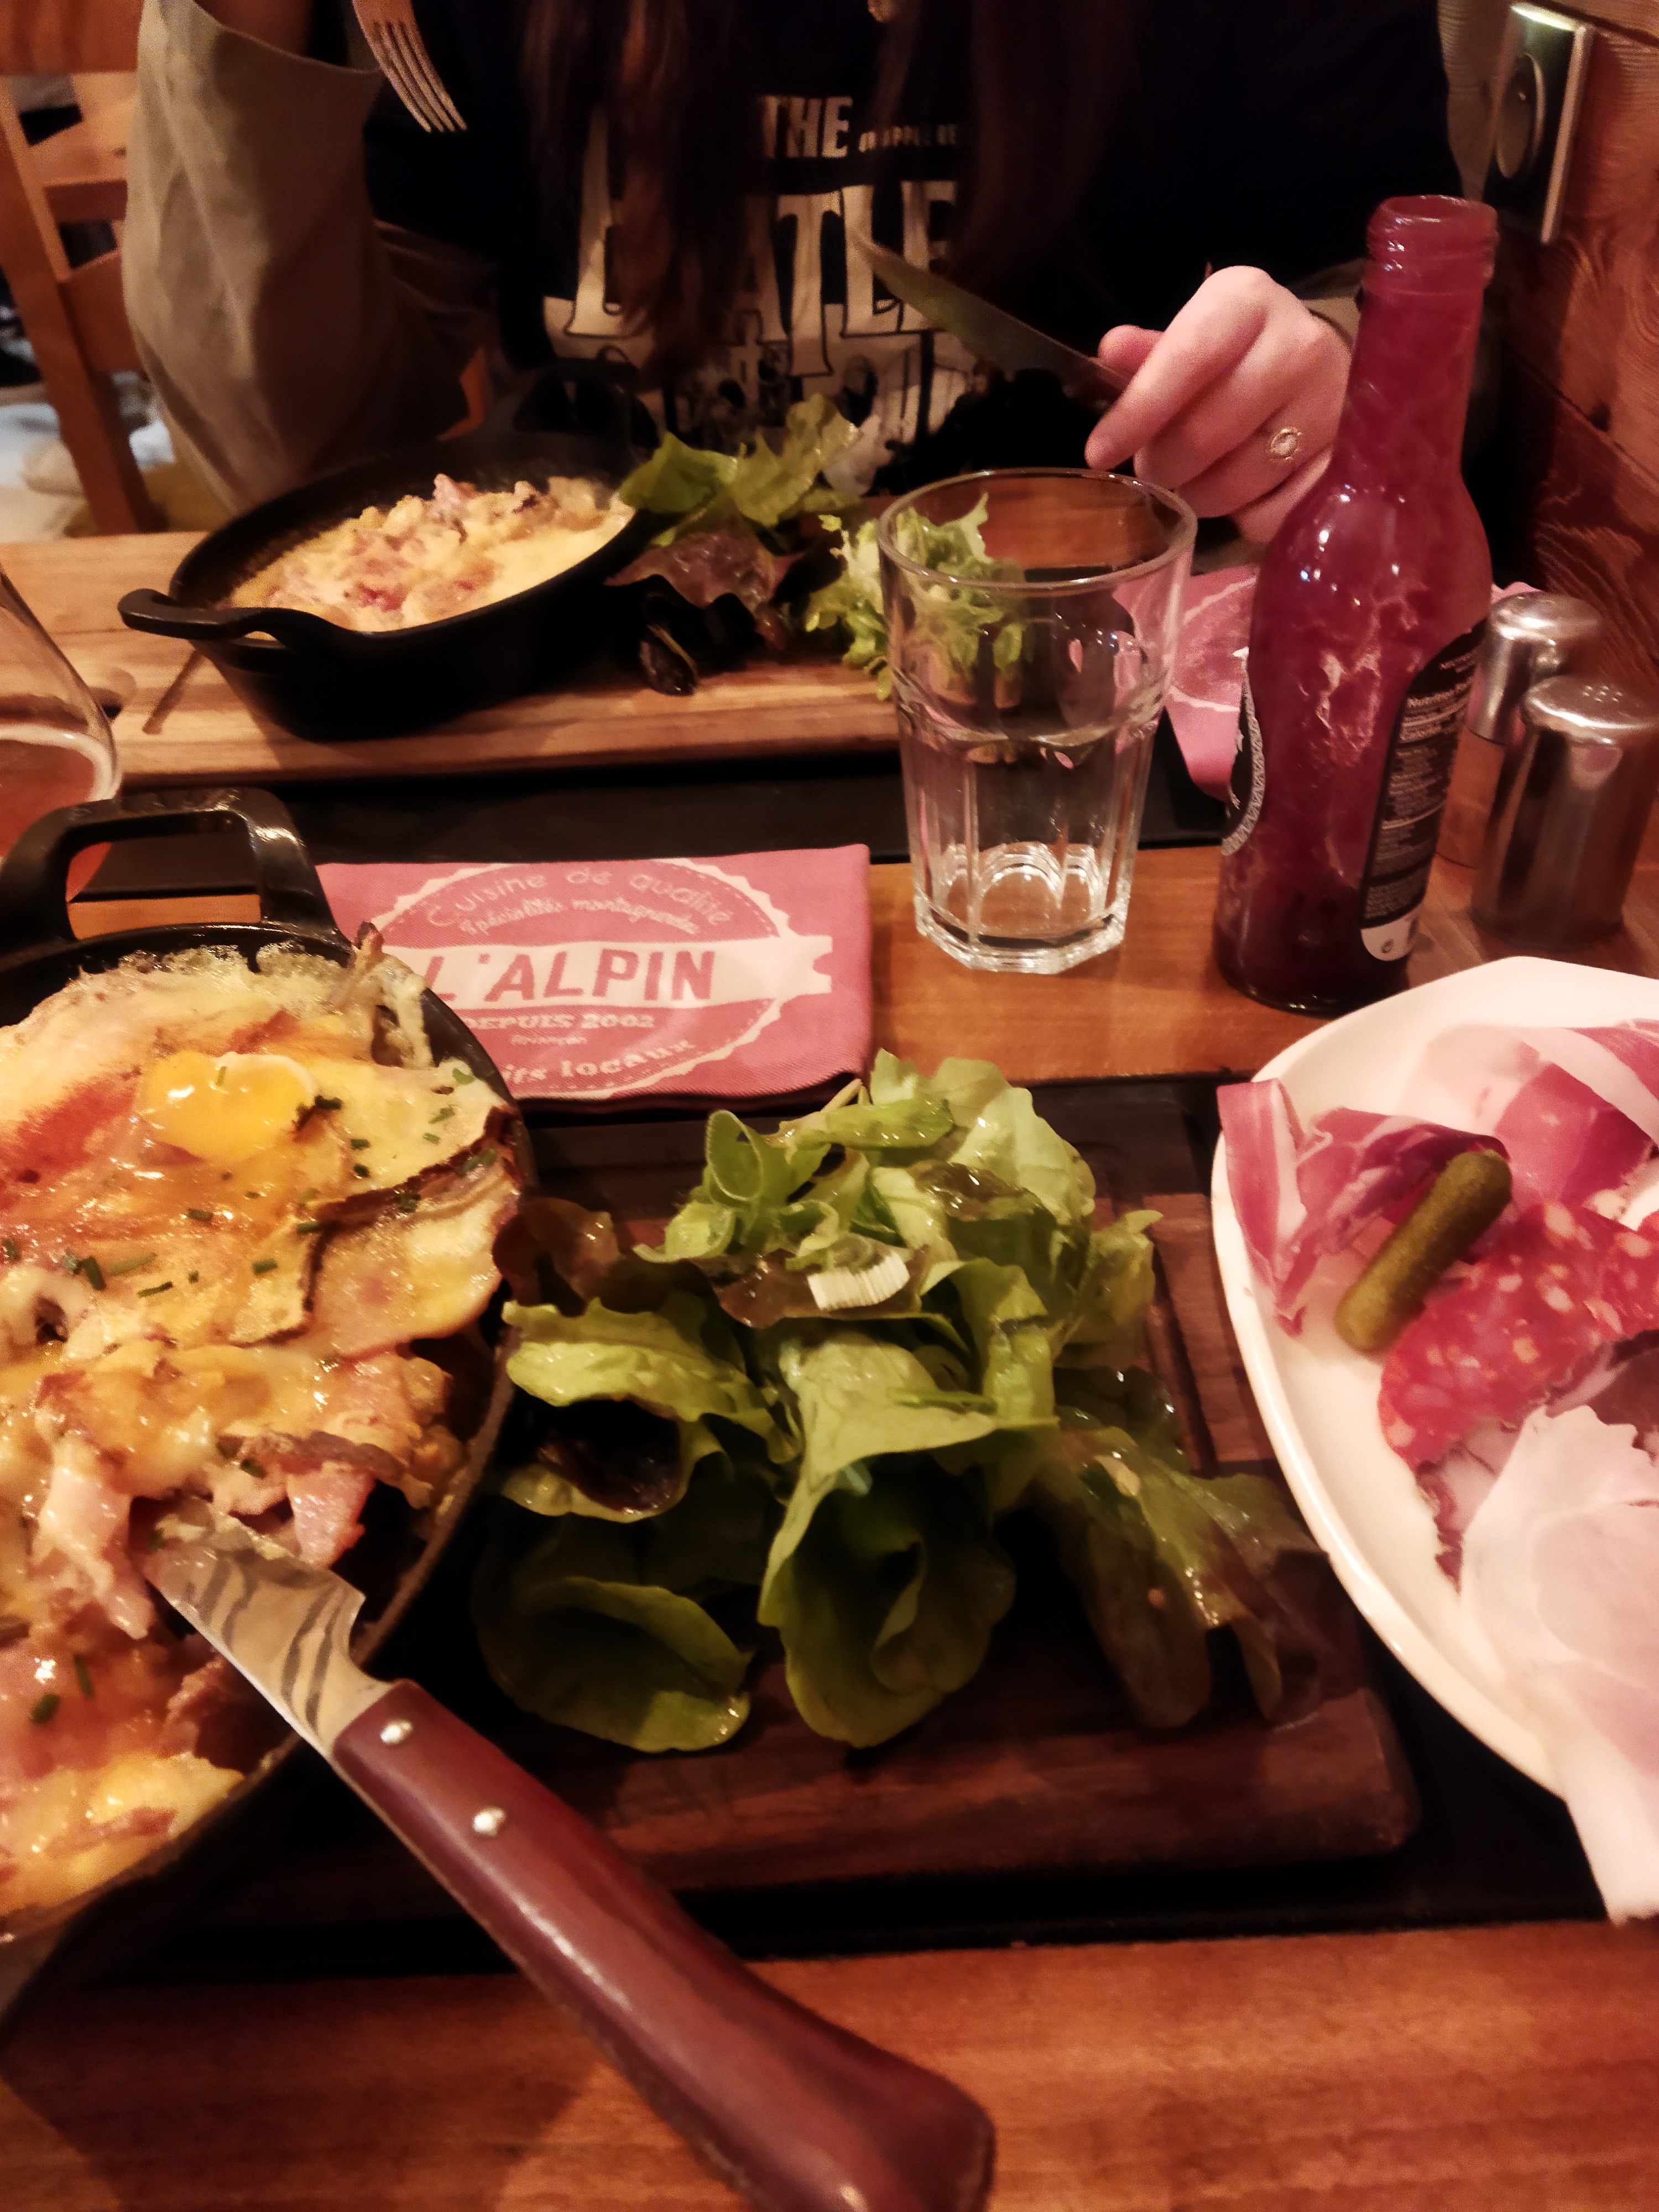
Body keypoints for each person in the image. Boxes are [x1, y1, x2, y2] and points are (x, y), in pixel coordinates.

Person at [125, 0, 1462, 538]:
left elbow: (1399, 306)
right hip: (572, 699)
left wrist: (1342, 375)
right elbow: (304, 468)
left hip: (1087, 701)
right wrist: (241, 30)